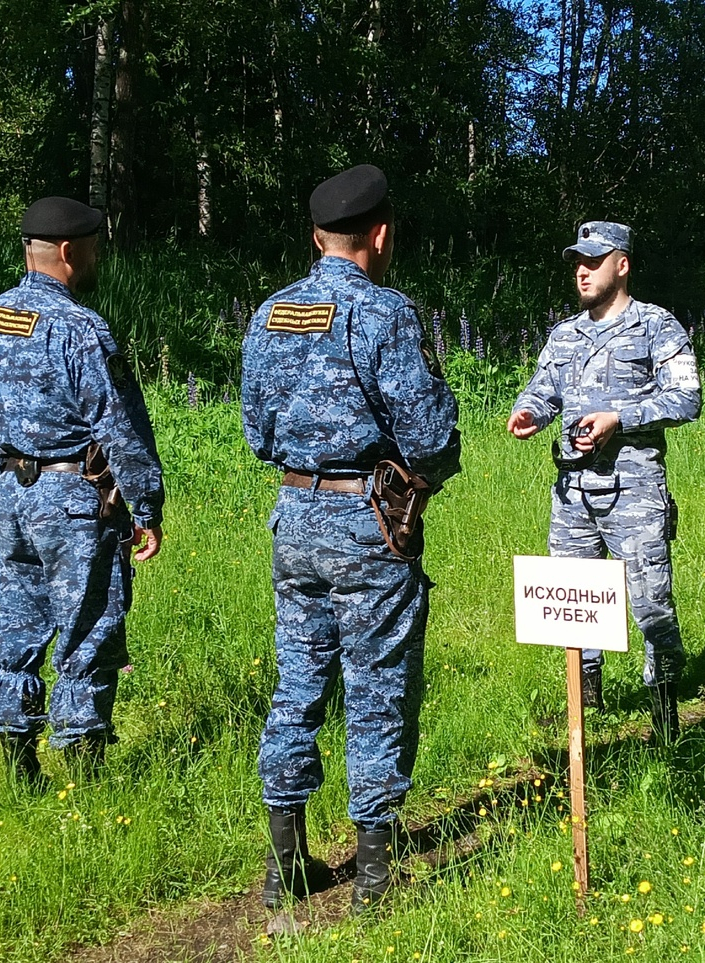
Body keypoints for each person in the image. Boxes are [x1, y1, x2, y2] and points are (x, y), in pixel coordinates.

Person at [241, 164, 461, 913]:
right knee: (377, 688)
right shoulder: (384, 314)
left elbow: (255, 431)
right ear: (380, 233)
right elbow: (429, 436)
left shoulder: (270, 313)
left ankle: (284, 864)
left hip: (294, 519)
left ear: (315, 236)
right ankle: (372, 875)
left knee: (297, 681)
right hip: (369, 524)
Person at [0, 196, 164, 788]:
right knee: (89, 629)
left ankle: (21, 770)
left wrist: (6, 477)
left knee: (17, 628)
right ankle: (87, 777)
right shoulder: (80, 327)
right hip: (75, 499)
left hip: (11, 494)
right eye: (97, 248)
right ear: (72, 251)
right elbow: (120, 425)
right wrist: (145, 505)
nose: (99, 258)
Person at [507, 221, 700, 743]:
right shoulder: (564, 335)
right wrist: (528, 413)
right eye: (577, 262)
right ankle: (584, 706)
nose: (583, 271)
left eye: (594, 260)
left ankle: (665, 711)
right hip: (572, 494)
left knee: (650, 599)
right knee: (572, 604)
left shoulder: (656, 326)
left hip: (633, 491)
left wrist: (619, 417)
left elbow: (686, 399)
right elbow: (542, 391)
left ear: (623, 264)